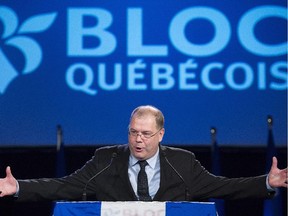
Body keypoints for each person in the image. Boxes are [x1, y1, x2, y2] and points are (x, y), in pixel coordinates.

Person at [0, 105, 287, 202]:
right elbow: (65, 186)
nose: (138, 140)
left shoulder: (182, 162)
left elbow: (223, 187)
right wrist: (18, 188)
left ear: (161, 135)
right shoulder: (105, 159)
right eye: (133, 132)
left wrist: (265, 182)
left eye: (146, 134)